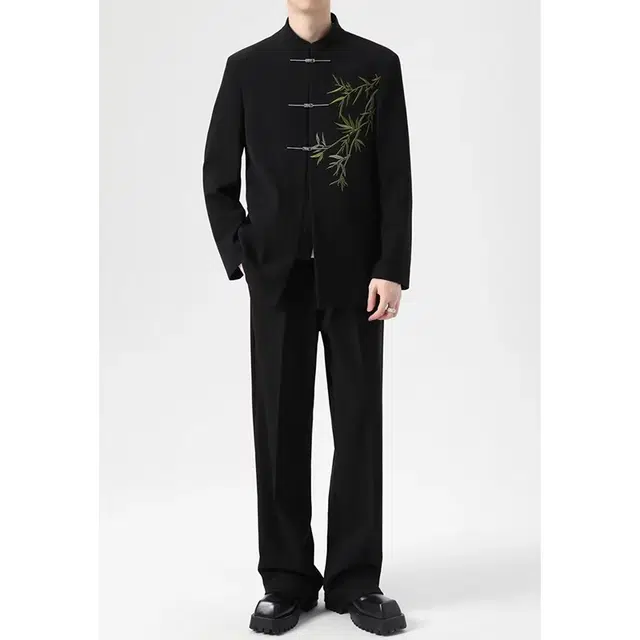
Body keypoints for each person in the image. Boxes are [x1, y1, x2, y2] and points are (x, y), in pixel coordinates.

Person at [202, 0, 411, 634]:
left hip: (357, 279)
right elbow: (217, 175)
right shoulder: (247, 68)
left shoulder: (378, 65)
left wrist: (392, 266)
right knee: (279, 428)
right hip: (278, 281)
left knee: (358, 426)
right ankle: (286, 579)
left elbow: (395, 175)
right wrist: (244, 253)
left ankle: (356, 579)